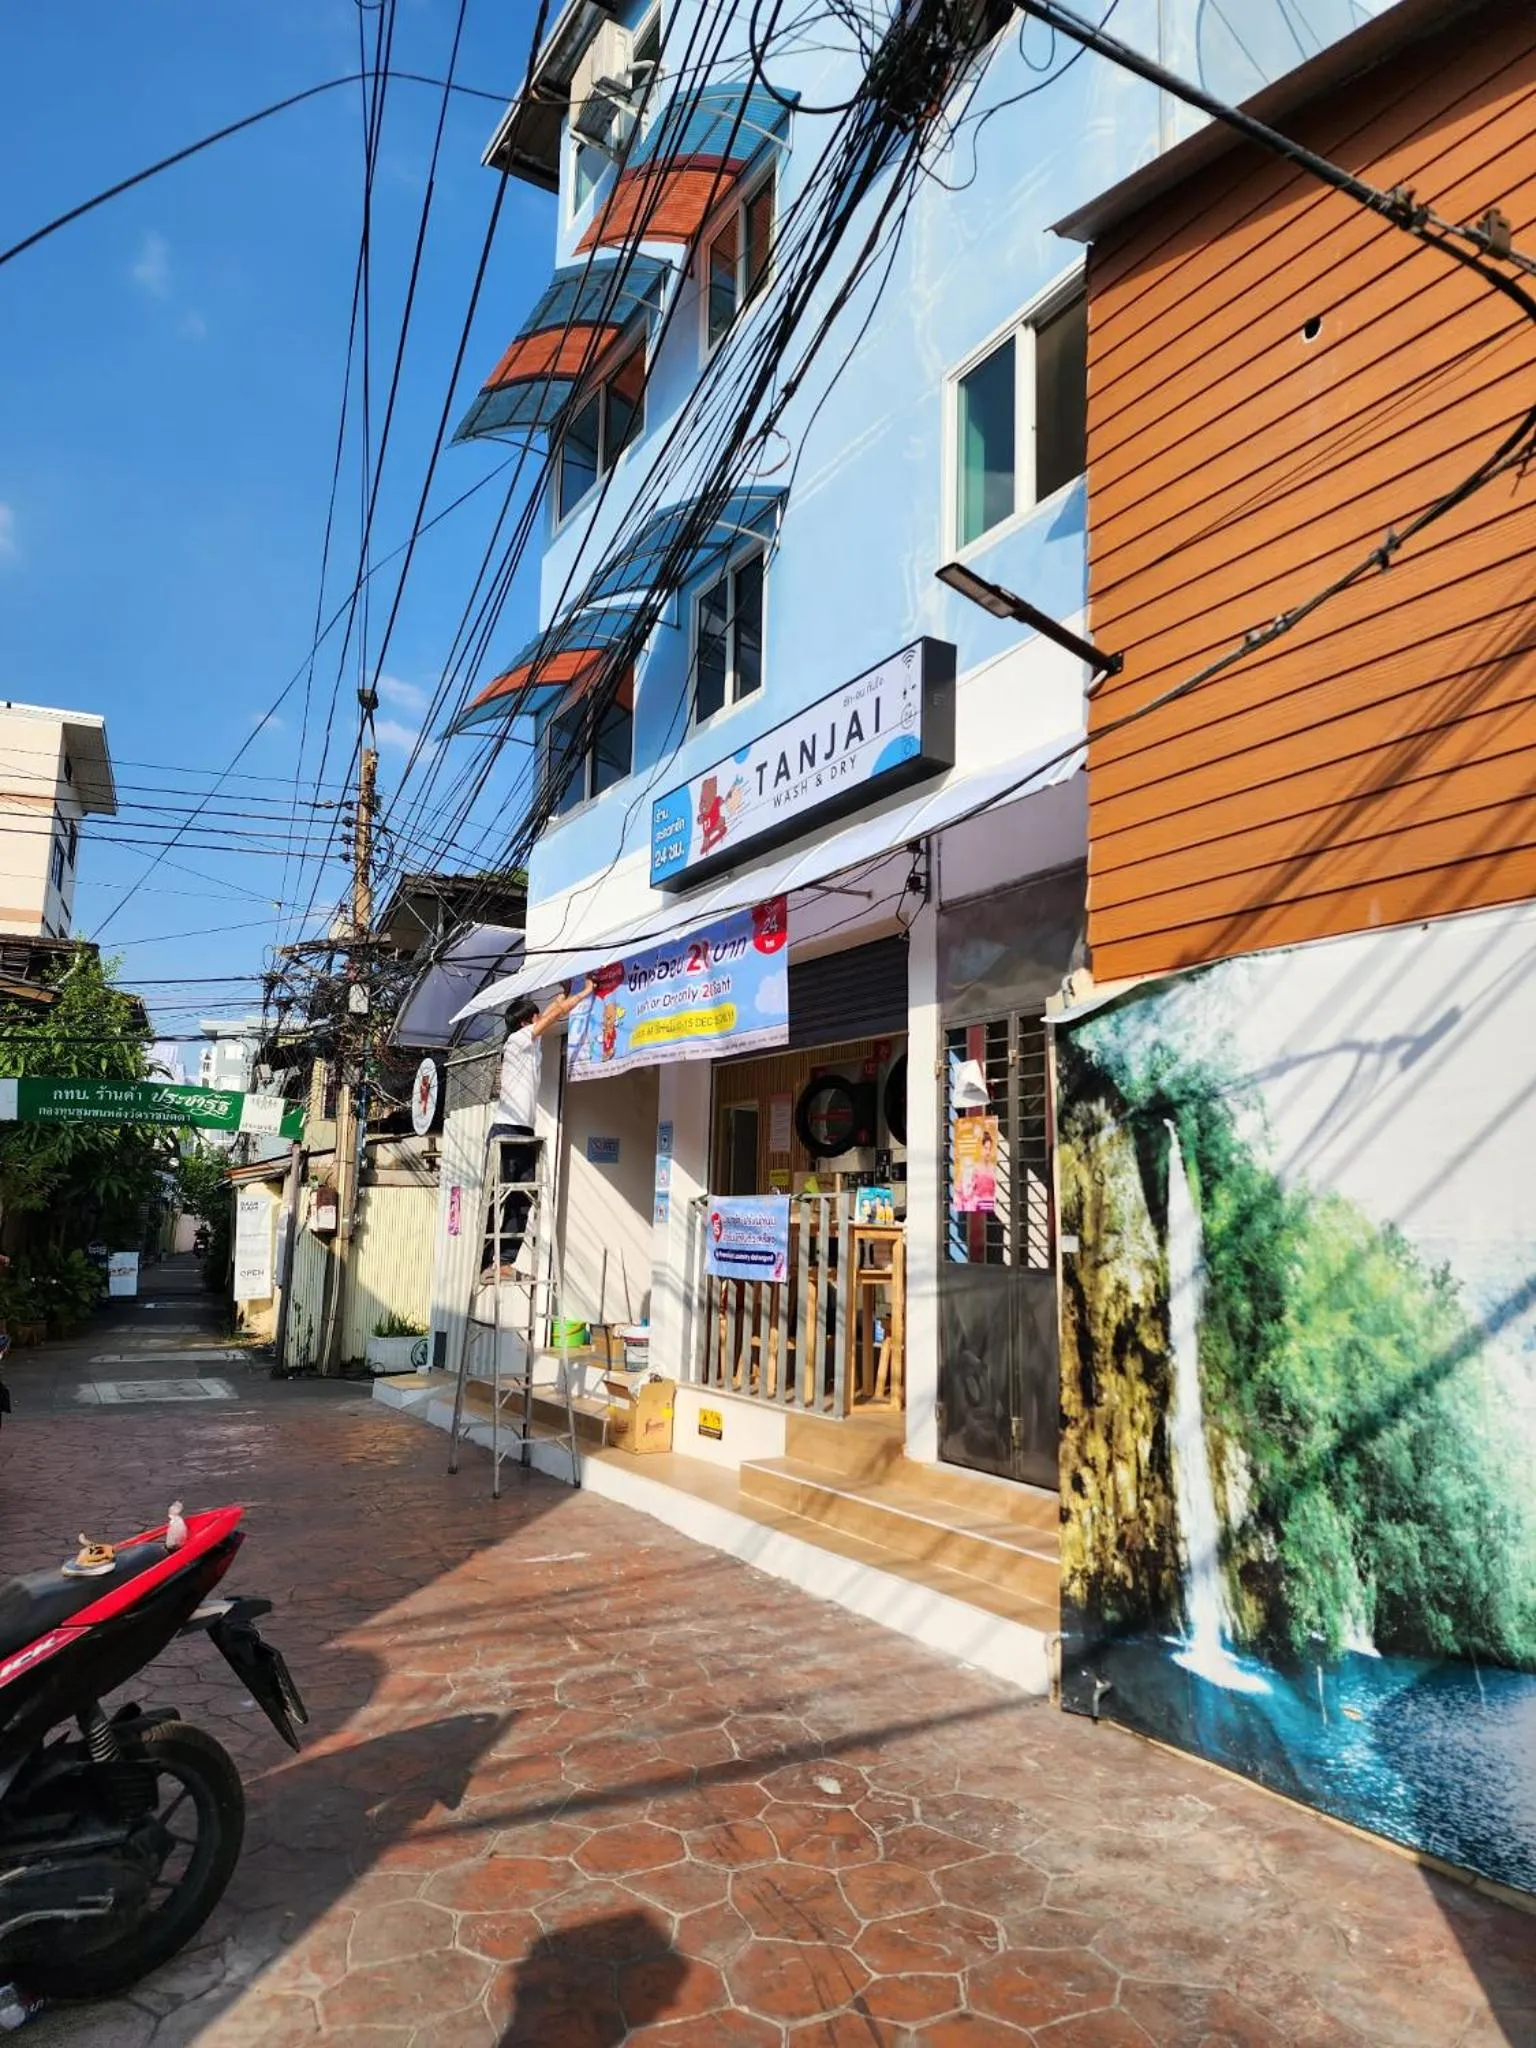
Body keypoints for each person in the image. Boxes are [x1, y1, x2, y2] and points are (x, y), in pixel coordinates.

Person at [484, 980, 594, 1274]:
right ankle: (487, 1262)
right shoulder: (517, 1040)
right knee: (498, 1197)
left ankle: (505, 1261)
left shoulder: (530, 1043)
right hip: (506, 1129)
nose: (541, 1020)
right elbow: (552, 1016)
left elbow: (551, 1012)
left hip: (524, 1131)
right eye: (535, 1017)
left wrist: (564, 993)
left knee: (522, 1198)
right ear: (524, 1022)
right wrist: (584, 993)